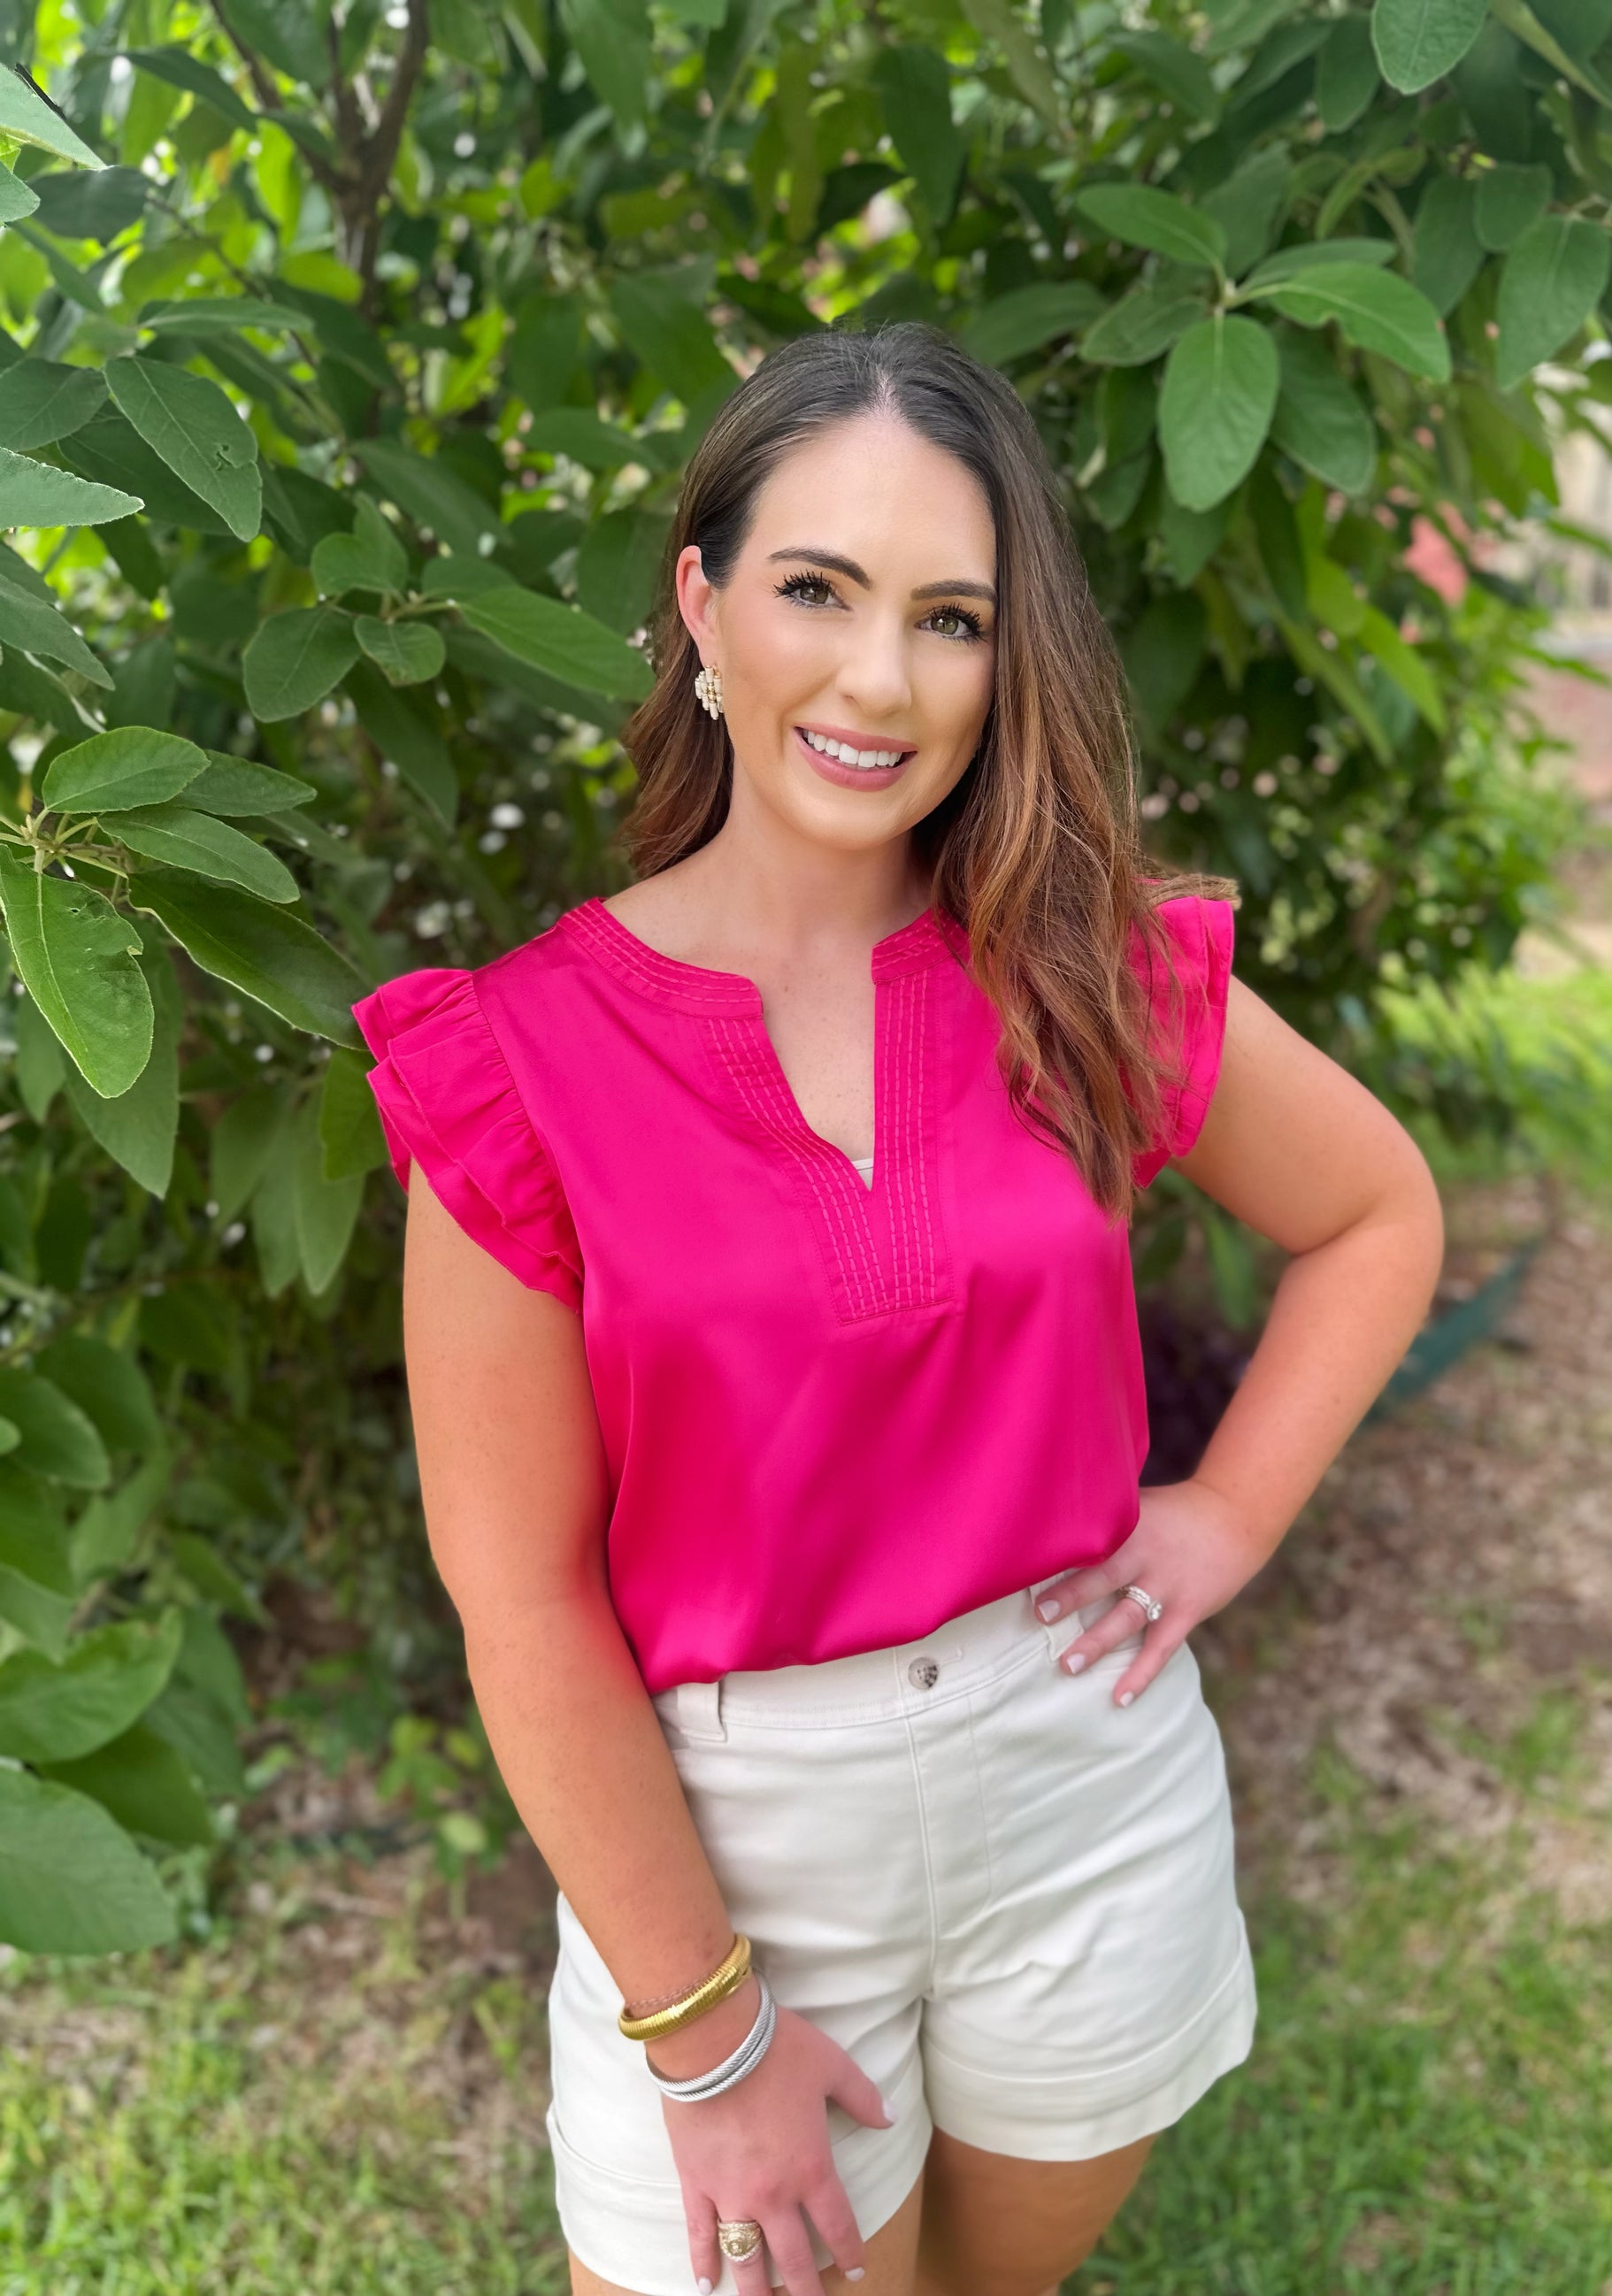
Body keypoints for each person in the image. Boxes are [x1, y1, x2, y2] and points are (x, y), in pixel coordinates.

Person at [351, 320, 1444, 2296]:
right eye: (817, 590)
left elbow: (1373, 1210)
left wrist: (1224, 1513)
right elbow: (520, 1599)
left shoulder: (1079, 966)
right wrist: (707, 2033)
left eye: (950, 616)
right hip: (734, 1839)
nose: (879, 677)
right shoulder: (514, 1065)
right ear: (700, 602)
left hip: (1080, 1784)